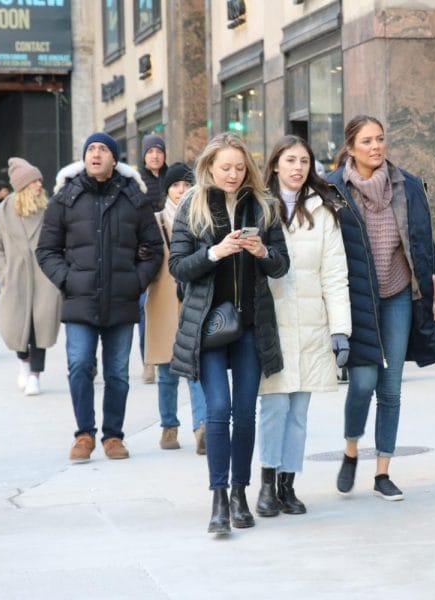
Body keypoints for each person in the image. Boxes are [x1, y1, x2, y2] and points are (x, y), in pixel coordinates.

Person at [168, 132, 289, 536]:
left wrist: (262, 253)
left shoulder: (264, 205)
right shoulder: (192, 205)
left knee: (246, 412)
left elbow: (281, 265)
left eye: (239, 167)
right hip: (208, 327)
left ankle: (240, 493)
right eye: (225, 168)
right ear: (209, 168)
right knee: (218, 411)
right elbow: (178, 267)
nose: (234, 175)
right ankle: (218, 498)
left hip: (252, 325)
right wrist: (215, 252)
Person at [326, 115, 435, 501]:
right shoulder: (332, 190)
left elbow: (421, 240)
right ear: (350, 148)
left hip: (398, 293)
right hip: (357, 298)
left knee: (392, 386)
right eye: (367, 141)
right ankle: (351, 449)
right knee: (362, 383)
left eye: (380, 139)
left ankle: (383, 470)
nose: (376, 147)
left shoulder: (407, 185)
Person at [37, 132, 163, 462]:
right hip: (80, 300)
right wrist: (67, 279)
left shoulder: (134, 199)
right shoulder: (65, 198)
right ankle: (84, 434)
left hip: (121, 300)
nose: (96, 154)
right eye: (91, 149)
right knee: (79, 365)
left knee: (118, 373)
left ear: (114, 159)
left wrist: (135, 281)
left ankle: (113, 436)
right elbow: (46, 250)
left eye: (103, 149)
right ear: (84, 157)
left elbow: (154, 249)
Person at [256, 135, 351, 517]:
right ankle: (265, 483)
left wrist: (339, 329)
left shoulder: (323, 212)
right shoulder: (259, 207)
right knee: (274, 406)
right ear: (276, 164)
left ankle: (287, 484)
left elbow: (335, 273)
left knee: (299, 410)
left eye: (304, 162)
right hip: (272, 322)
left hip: (312, 323)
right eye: (290, 160)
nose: (298, 168)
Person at [143, 162, 207, 454]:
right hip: (163, 300)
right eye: (175, 186)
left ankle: (202, 427)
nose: (181, 191)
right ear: (167, 189)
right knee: (167, 370)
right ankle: (169, 426)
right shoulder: (154, 221)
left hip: (193, 298)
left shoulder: (201, 218)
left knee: (195, 367)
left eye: (186, 185)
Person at [0, 158, 62, 396]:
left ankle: (35, 375)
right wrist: (4, 273)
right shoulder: (4, 211)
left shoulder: (48, 208)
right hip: (16, 279)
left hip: (44, 279)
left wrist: (57, 270)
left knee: (39, 328)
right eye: (34, 181)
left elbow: (61, 241)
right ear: (22, 185)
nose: (39, 185)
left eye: (40, 180)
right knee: (16, 326)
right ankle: (23, 362)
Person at [138, 134, 169, 384]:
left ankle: (170, 354)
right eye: (150, 152)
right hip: (145, 250)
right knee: (145, 307)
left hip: (171, 248)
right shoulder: (137, 182)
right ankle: (148, 361)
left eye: (159, 151)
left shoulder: (173, 179)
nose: (155, 156)